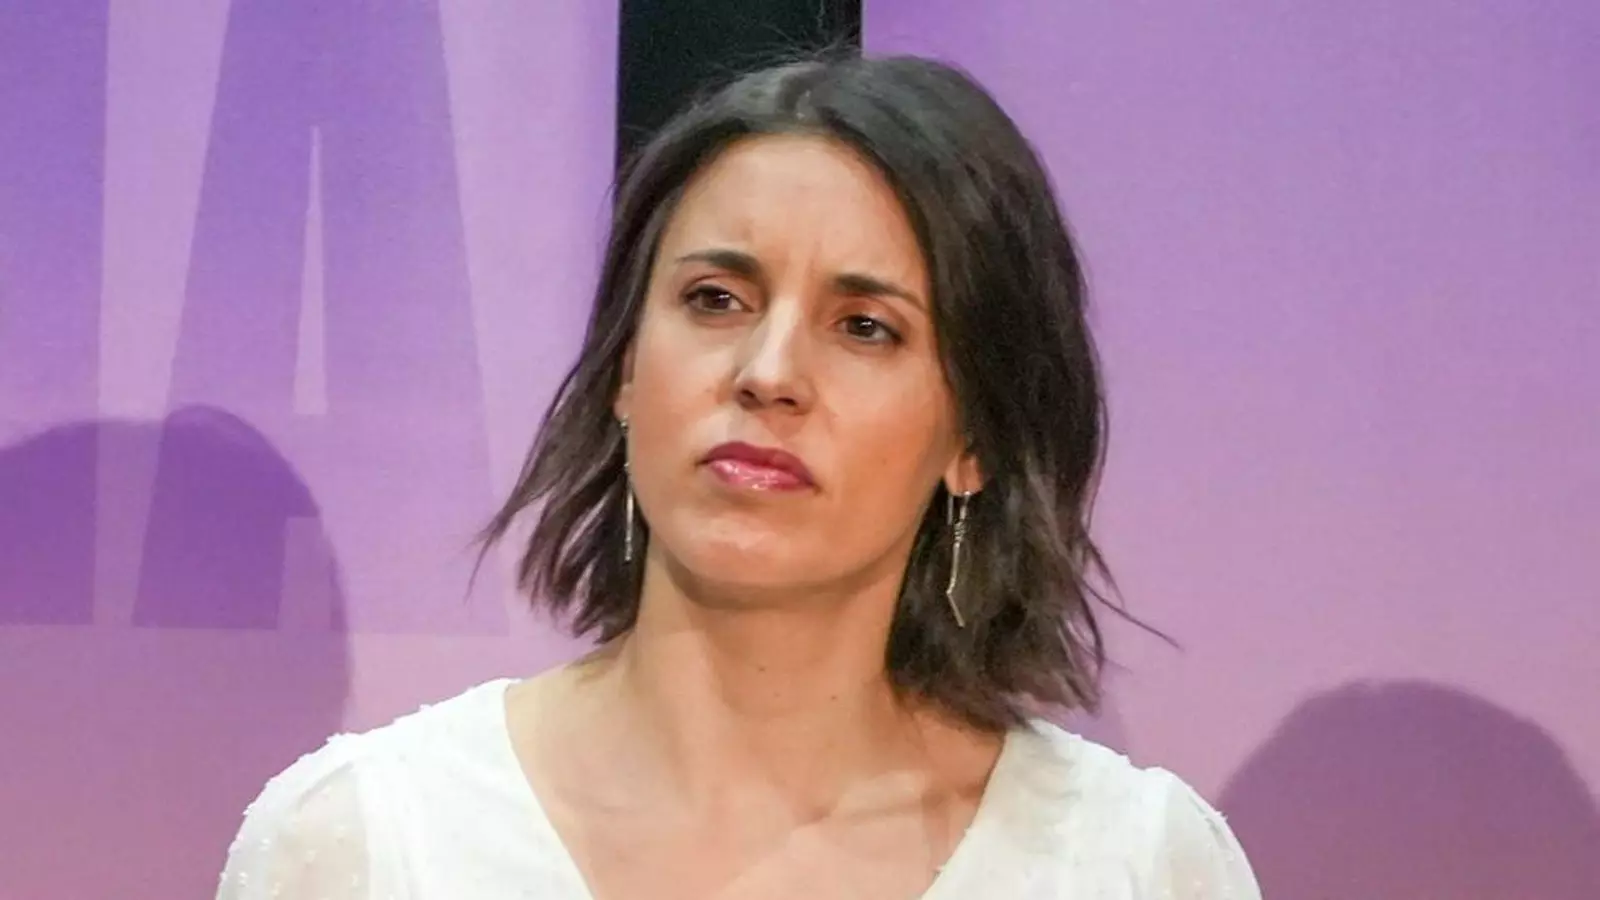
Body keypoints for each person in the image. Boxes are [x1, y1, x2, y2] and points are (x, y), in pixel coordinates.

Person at [218, 53, 1261, 899]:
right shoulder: (361, 843)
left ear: (974, 438)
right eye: (716, 300)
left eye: (865, 326)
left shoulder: (1130, 867)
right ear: (626, 368)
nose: (768, 374)